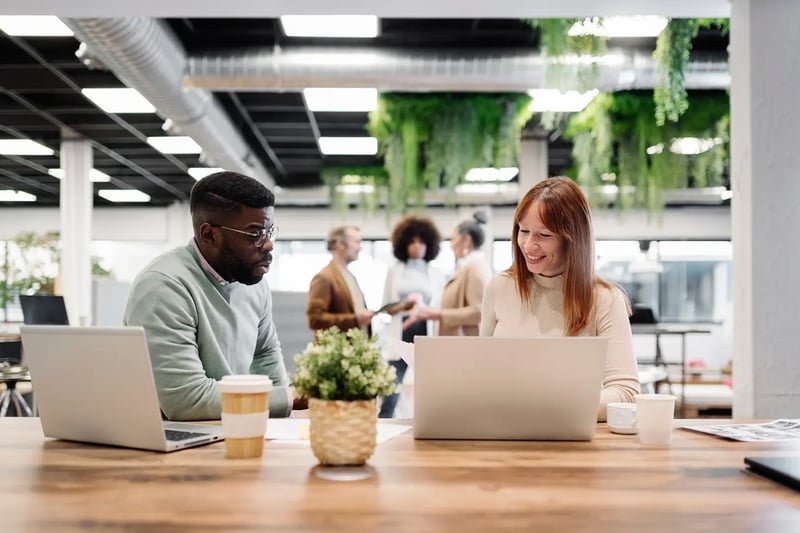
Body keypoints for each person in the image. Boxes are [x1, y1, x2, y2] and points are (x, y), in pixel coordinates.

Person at [124, 171, 300, 421]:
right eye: (255, 234)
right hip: (171, 443)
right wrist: (285, 399)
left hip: (230, 428)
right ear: (209, 235)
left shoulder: (253, 283)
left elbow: (264, 353)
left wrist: (279, 413)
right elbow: (186, 400)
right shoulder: (165, 286)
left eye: (269, 231)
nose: (269, 244)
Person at [479, 177, 640, 421]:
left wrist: (553, 408)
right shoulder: (499, 287)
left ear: (572, 239)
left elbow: (625, 392)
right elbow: (482, 373)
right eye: (523, 231)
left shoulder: (605, 299)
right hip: (505, 434)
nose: (528, 245)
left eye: (544, 235)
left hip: (574, 438)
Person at [378, 214, 447, 418]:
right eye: (412, 242)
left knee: (431, 388)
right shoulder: (395, 271)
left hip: (425, 335)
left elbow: (439, 306)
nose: (417, 246)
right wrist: (403, 306)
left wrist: (423, 309)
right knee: (391, 387)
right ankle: (384, 423)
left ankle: (432, 422)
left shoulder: (435, 273)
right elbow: (386, 307)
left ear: (429, 244)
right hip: (401, 335)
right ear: (404, 244)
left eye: (421, 242)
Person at [406, 211, 491, 336]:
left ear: (466, 241)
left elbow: (479, 311)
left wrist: (437, 314)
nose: (451, 244)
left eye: (453, 239)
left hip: (466, 348)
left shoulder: (476, 268)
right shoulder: (465, 268)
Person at [306, 226, 375, 335]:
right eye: (356, 242)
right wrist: (355, 319)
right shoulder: (324, 277)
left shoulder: (350, 276)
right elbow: (315, 319)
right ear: (340, 244)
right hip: (337, 350)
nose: (359, 248)